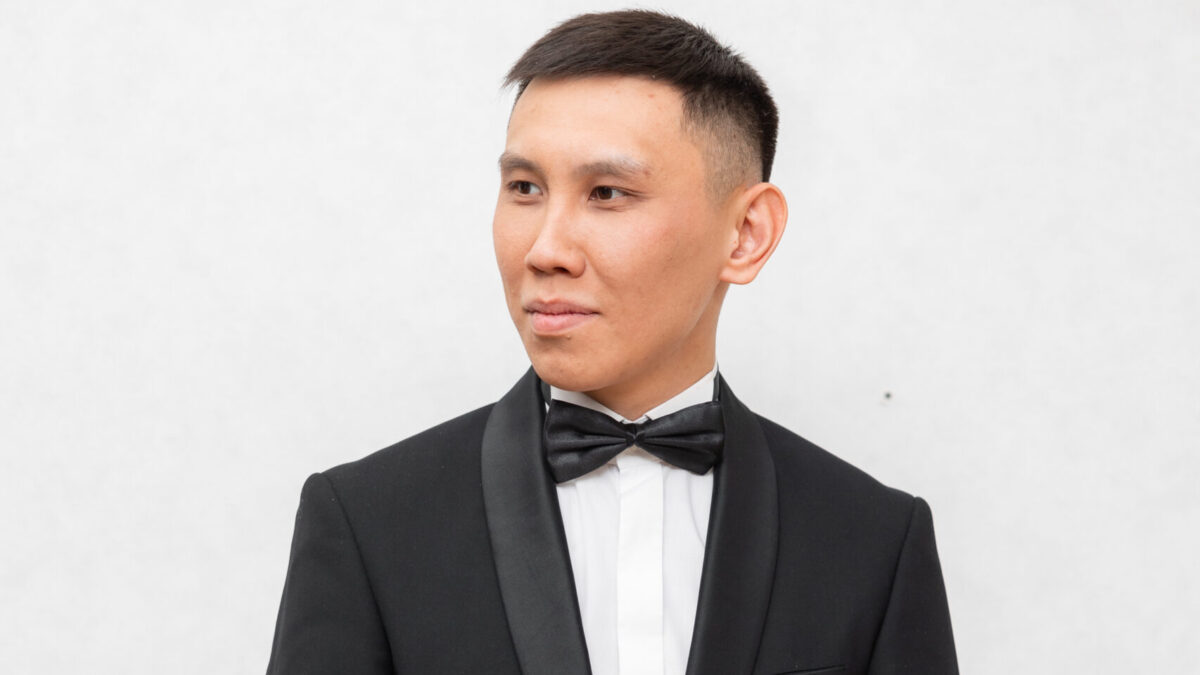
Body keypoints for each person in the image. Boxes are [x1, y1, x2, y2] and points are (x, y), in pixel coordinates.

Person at [266, 10, 957, 675]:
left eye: (607, 193)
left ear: (746, 235)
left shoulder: (874, 540)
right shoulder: (366, 522)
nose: (545, 250)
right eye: (525, 187)